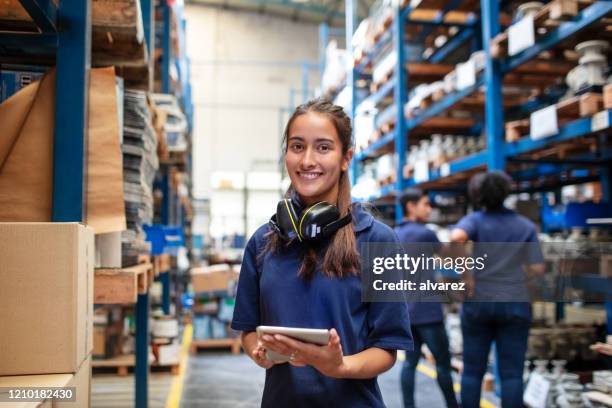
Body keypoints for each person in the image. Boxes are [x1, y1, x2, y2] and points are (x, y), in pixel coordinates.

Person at [231, 98, 413, 407]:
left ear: (346, 158)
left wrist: (339, 367)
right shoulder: (262, 243)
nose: (307, 161)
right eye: (297, 147)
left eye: (324, 148)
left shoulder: (377, 241)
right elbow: (249, 330)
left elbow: (386, 350)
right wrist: (258, 351)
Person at [450, 171, 545, 408]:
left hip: (478, 302)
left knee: (472, 370)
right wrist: (521, 277)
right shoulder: (524, 225)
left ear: (478, 195)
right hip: (514, 301)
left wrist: (466, 275)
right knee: (511, 373)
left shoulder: (475, 221)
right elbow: (538, 267)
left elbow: (456, 238)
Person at [395, 189, 458, 408]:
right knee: (442, 363)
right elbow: (448, 258)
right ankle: (453, 404)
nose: (429, 209)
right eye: (425, 204)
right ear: (411, 207)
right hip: (428, 311)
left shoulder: (394, 234)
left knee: (410, 363)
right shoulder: (425, 233)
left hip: (406, 311)